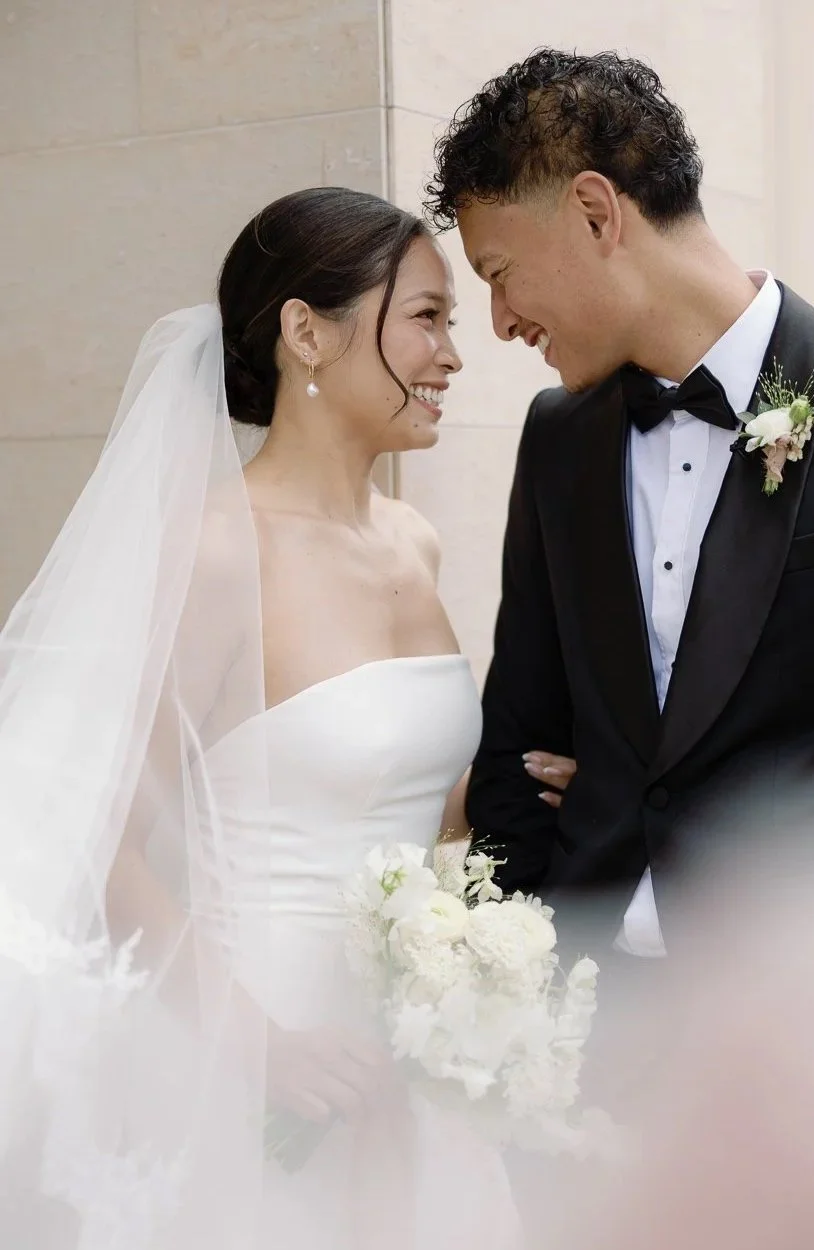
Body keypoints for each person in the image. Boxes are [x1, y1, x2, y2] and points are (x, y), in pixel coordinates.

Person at [425, 48, 814, 1244]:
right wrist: (517, 1011)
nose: (497, 322)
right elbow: (517, 747)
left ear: (594, 212)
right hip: (584, 1077)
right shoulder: (557, 438)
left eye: (496, 273)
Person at [0, 186, 574, 1249]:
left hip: (410, 1051)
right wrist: (265, 1046)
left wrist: (530, 782)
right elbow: (107, 847)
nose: (455, 353)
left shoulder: (414, 542)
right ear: (307, 330)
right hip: (255, 1046)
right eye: (427, 317)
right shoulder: (215, 550)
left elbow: (406, 799)